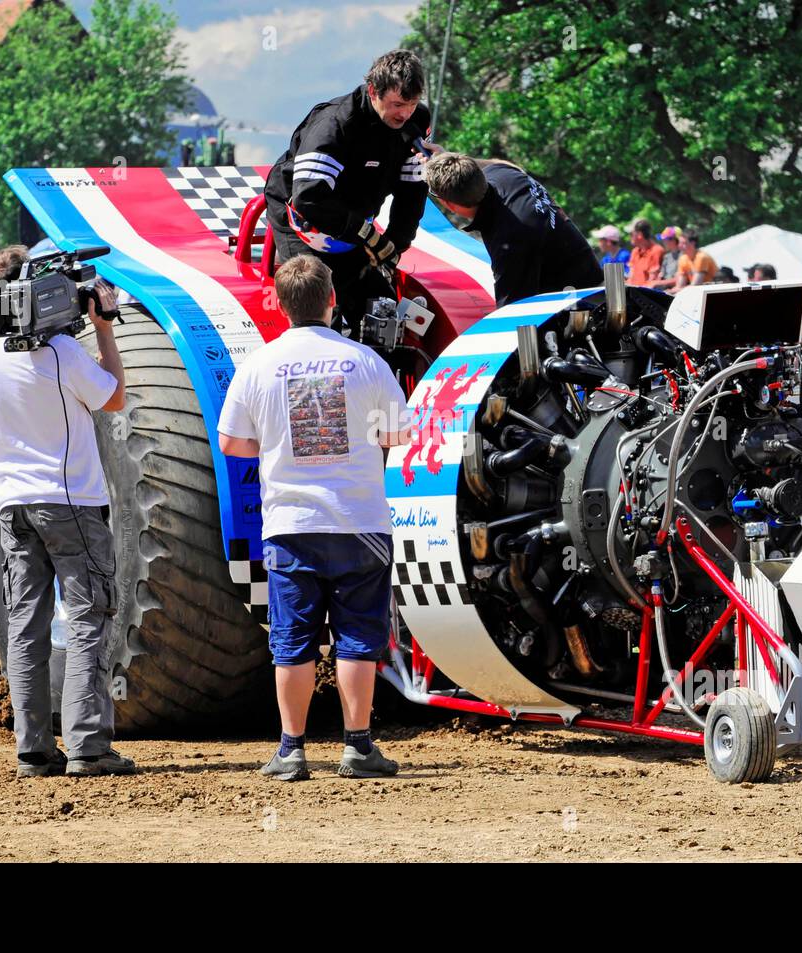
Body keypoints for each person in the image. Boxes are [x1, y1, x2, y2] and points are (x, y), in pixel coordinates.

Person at [217, 255, 411, 781]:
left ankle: (291, 750)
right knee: (356, 637)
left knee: (293, 639)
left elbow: (232, 442)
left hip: (291, 524)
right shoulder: (367, 361)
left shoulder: (258, 364)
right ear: (332, 299)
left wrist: (277, 442)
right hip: (360, 519)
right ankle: (358, 746)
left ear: (279, 307)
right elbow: (398, 434)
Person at [0, 244, 134, 779]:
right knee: (88, 618)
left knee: (26, 624)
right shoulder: (62, 352)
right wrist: (103, 327)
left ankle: (34, 750)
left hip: (11, 505)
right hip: (70, 503)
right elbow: (113, 397)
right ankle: (88, 745)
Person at [264, 49, 431, 330]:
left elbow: (412, 190)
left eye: (412, 103)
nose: (405, 113)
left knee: (382, 308)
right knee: (319, 306)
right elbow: (309, 198)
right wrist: (367, 235)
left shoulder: (418, 121)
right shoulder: (335, 125)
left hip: (354, 217)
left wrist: (394, 246)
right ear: (373, 91)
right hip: (302, 220)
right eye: (397, 104)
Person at [423, 152, 601, 307]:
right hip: (595, 281)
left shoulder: (508, 240)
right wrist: (450, 158)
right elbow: (494, 165)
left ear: (449, 205)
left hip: (584, 303)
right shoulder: (502, 172)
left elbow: (512, 314)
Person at [626, 219, 664, 287]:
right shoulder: (635, 251)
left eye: (631, 234)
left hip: (644, 294)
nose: (629, 237)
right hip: (633, 292)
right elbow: (630, 277)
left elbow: (652, 280)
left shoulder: (656, 250)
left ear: (639, 235)